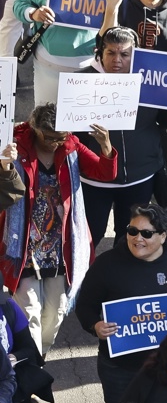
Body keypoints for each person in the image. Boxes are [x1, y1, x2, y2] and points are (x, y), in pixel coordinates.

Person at [0, 103, 116, 354]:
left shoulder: (71, 145)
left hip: (61, 244)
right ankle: (30, 365)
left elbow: (103, 173)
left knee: (57, 311)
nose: (54, 143)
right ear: (35, 128)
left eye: (59, 137)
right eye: (48, 137)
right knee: (29, 312)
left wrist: (106, 146)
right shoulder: (16, 145)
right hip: (23, 243)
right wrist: (5, 164)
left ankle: (37, 356)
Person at [74, 203, 167, 403]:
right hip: (120, 370)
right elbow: (84, 306)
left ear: (163, 236)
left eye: (146, 233)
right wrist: (95, 325)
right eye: (132, 231)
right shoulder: (106, 265)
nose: (138, 239)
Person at [78, 26, 167, 245]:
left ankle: (124, 278)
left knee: (129, 237)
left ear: (135, 55)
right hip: (94, 180)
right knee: (90, 236)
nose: (117, 60)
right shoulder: (80, 82)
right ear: (100, 52)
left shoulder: (151, 80)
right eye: (111, 53)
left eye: (124, 54)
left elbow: (164, 117)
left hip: (139, 178)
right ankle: (86, 278)